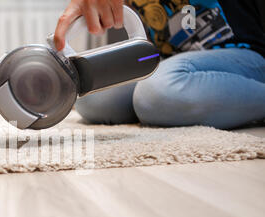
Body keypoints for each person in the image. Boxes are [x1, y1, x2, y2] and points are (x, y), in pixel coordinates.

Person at [53, 0, 265, 129]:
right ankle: (171, 107)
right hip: (171, 59)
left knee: (156, 94)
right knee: (90, 96)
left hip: (245, 52)